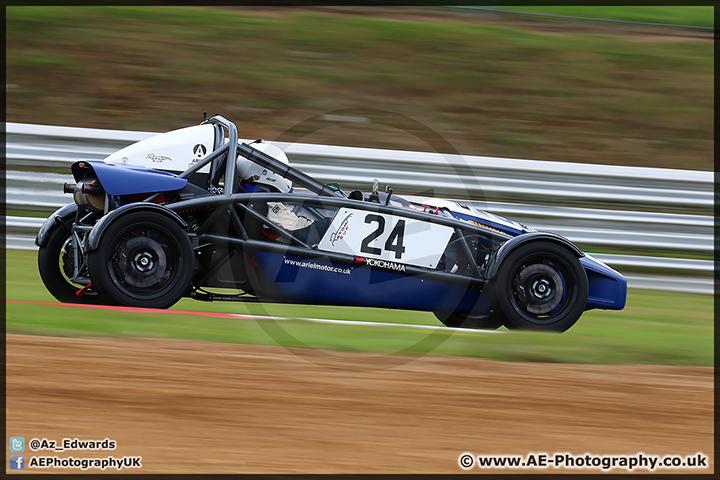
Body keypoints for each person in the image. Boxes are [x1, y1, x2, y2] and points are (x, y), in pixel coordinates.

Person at [236, 140, 324, 244]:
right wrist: (328, 224)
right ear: (266, 173)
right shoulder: (264, 203)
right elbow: (306, 233)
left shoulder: (245, 195)